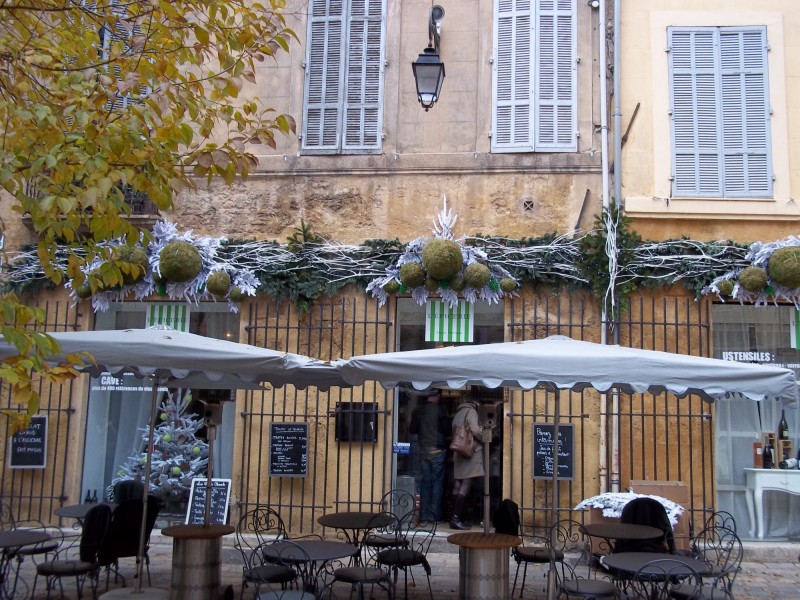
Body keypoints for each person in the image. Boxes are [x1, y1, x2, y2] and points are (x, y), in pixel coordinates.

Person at [409, 388, 449, 522]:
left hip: (424, 449)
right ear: (437, 396)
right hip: (437, 449)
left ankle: (424, 516)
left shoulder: (418, 410)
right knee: (437, 483)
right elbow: (446, 430)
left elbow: (412, 430)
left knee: (425, 482)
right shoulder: (440, 410)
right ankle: (434, 516)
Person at [450, 396, 483, 530]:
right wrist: (486, 435)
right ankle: (456, 518)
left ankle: (453, 517)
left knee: (458, 484)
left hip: (458, 452)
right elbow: (475, 430)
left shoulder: (458, 413)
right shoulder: (472, 412)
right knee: (466, 483)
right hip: (470, 453)